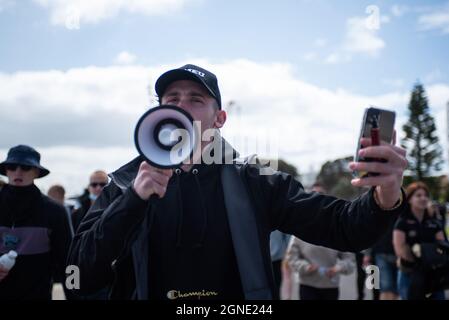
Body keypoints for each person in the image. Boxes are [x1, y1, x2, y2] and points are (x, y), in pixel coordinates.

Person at [68, 64, 408, 300]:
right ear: (158, 115)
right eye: (172, 100)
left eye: (196, 99)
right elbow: (80, 274)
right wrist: (133, 202)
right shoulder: (124, 184)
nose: (182, 107)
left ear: (220, 118)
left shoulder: (255, 181)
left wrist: (386, 191)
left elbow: (346, 229)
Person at [0, 145, 72, 299]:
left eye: (25, 167)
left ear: (36, 172)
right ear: (6, 170)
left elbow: (71, 261)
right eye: (12, 166)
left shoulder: (55, 211)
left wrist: (77, 294)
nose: (18, 171)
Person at [285, 183, 355, 300]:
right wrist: (305, 267)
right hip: (307, 285)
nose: (316, 197)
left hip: (330, 286)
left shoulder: (337, 228)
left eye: (320, 194)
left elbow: (350, 260)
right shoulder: (300, 228)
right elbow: (291, 258)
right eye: (313, 194)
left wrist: (338, 268)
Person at [393, 182, 447, 300]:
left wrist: (426, 253)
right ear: (410, 199)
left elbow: (443, 245)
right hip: (409, 274)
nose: (423, 198)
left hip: (433, 274)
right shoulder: (402, 222)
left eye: (425, 195)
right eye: (418, 195)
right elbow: (400, 249)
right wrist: (422, 255)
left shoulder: (433, 223)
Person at [270, 230, 290, 298]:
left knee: (278, 285)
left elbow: (287, 233)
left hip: (278, 257)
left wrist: (289, 254)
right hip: (260, 258)